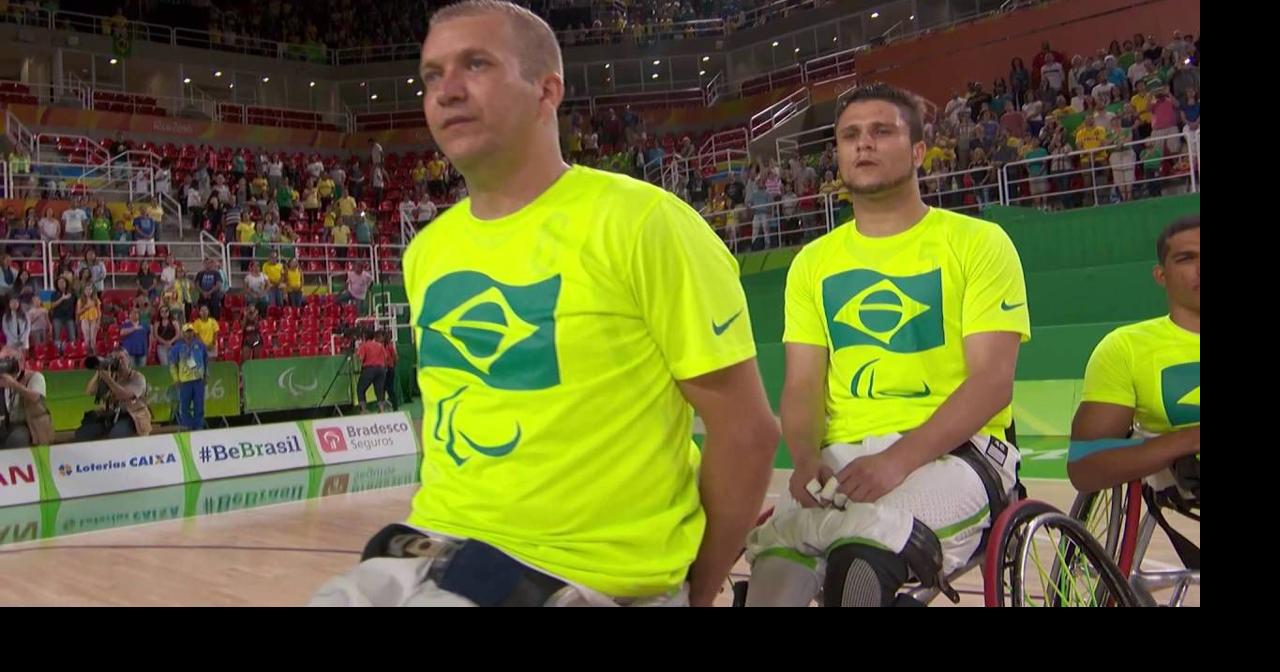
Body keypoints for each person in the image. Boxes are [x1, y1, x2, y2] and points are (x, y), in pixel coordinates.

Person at [310, 0, 778, 609]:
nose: (446, 91)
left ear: (547, 89)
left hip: (581, 578)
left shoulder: (644, 224)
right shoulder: (429, 249)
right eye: (430, 76)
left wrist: (699, 591)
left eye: (475, 64)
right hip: (438, 547)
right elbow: (451, 402)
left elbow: (747, 432)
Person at [743, 84, 1028, 607]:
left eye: (881, 132)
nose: (863, 145)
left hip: (956, 456)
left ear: (919, 151)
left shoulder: (978, 244)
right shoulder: (813, 262)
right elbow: (803, 385)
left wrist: (898, 459)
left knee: (860, 562)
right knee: (772, 573)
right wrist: (805, 460)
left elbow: (991, 382)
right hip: (843, 460)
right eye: (850, 135)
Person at [1068, 217, 1199, 492]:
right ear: (1161, 276)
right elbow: (1086, 467)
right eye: (1187, 258)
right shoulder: (1125, 347)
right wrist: (1189, 440)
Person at [73, 348, 152, 441]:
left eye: (121, 358)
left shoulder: (137, 378)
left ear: (128, 359)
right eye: (114, 359)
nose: (118, 361)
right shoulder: (111, 375)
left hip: (133, 416)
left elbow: (123, 394)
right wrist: (99, 370)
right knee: (82, 434)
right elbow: (90, 391)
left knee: (116, 435)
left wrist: (108, 380)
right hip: (111, 414)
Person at [0, 346, 52, 449]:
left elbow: (35, 397)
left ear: (20, 361)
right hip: (5, 424)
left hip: (28, 424)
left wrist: (14, 384)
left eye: (8, 360)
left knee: (17, 438)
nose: (4, 364)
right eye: (1, 361)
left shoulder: (35, 377)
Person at [169, 324, 209, 431]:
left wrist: (206, 375)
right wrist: (176, 379)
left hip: (198, 381)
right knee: (184, 407)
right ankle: (186, 427)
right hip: (184, 382)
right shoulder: (177, 348)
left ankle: (199, 426)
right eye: (187, 331)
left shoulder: (200, 346)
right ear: (182, 333)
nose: (189, 334)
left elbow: (206, 361)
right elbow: (172, 364)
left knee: (199, 405)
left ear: (194, 333)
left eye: (191, 331)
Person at [354, 329, 389, 414]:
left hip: (369, 369)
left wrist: (357, 352)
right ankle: (381, 410)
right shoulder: (380, 345)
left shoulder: (364, 346)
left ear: (365, 337)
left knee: (360, 389)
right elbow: (386, 357)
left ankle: (363, 410)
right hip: (381, 369)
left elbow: (361, 358)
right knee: (379, 390)